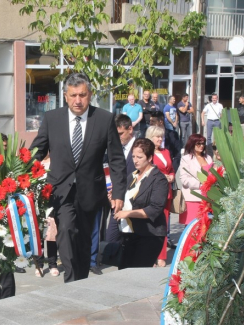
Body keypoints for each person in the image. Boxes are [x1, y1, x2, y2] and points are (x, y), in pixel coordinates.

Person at [31, 72, 127, 283]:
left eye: (82, 95)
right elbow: (36, 152)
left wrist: (119, 193)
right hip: (60, 190)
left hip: (91, 193)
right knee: (65, 229)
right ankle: (71, 280)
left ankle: (80, 281)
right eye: (73, 95)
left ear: (89, 95)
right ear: (65, 96)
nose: (78, 100)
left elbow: (117, 160)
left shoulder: (103, 119)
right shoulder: (52, 119)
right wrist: (19, 172)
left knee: (84, 242)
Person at [114, 138, 169, 269]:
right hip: (128, 233)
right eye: (133, 156)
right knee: (123, 274)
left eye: (140, 157)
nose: (135, 160)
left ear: (150, 158)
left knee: (137, 276)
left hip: (150, 235)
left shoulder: (159, 179)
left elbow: (155, 209)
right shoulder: (132, 176)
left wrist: (128, 213)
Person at [104, 115, 137, 259]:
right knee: (111, 237)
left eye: (121, 134)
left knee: (132, 237)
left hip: (134, 201)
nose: (118, 137)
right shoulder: (114, 148)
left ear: (130, 129)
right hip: (117, 200)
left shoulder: (140, 147)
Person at [146, 126, 175, 267]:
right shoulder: (147, 153)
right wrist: (162, 176)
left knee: (163, 225)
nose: (160, 139)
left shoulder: (166, 152)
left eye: (161, 136)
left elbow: (172, 169)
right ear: (150, 137)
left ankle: (162, 256)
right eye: (157, 136)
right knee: (152, 225)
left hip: (167, 193)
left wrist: (171, 176)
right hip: (153, 193)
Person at [179, 134, 213, 225]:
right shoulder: (186, 159)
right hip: (192, 198)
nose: (201, 146)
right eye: (198, 144)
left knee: (206, 226)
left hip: (207, 198)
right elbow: (184, 179)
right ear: (192, 144)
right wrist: (200, 184)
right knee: (191, 228)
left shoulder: (208, 158)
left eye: (203, 143)